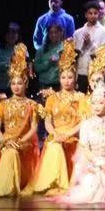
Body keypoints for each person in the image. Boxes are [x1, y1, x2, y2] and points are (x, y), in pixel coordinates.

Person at [0, 49, 41, 198]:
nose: (16, 86)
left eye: (19, 83)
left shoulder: (32, 105)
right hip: (7, 140)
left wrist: (20, 141)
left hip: (24, 142)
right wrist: (5, 141)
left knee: (13, 150)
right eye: (13, 83)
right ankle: (6, 187)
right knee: (9, 151)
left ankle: (9, 187)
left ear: (25, 83)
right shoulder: (3, 104)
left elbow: (34, 128)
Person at [55, 84, 105, 207]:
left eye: (101, 103)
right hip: (92, 162)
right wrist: (98, 163)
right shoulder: (86, 124)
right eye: (94, 103)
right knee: (92, 184)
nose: (96, 106)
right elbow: (85, 148)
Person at [28, 59, 90, 195]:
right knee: (54, 145)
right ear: (59, 78)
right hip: (55, 135)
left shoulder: (82, 98)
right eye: (63, 77)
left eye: (70, 77)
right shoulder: (52, 98)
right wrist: (55, 134)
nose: (66, 81)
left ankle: (62, 185)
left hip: (73, 136)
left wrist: (68, 134)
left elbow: (84, 121)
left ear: (75, 77)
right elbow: (47, 122)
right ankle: (52, 183)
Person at [0, 22, 23, 95]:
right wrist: (9, 63)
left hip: (16, 88)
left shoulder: (21, 49)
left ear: (18, 35)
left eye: (14, 33)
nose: (11, 35)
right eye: (9, 33)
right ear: (5, 35)